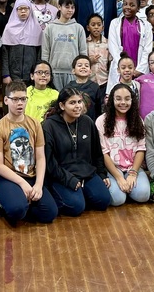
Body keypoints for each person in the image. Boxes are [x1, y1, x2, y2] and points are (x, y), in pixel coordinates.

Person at [0, 81, 59, 225]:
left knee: (50, 213)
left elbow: (40, 158)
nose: (20, 103)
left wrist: (39, 184)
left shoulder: (35, 124)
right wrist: (22, 183)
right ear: (6, 100)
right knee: (16, 210)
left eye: (23, 99)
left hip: (31, 176)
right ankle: (12, 205)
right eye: (15, 99)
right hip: (7, 177)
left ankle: (12, 205)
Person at [41, 88, 112, 216]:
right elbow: (49, 162)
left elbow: (97, 152)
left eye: (79, 102)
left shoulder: (87, 122)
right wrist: (69, 180)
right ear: (62, 105)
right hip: (62, 175)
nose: (78, 106)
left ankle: (81, 195)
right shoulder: (49, 126)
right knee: (76, 207)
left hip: (87, 173)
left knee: (104, 201)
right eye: (72, 103)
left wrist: (101, 173)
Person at [97, 83, 151, 205]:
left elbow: (141, 149)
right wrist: (119, 177)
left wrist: (133, 173)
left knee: (143, 196)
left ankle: (129, 187)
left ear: (132, 100)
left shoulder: (138, 120)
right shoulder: (101, 121)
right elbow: (103, 152)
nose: (123, 102)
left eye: (127, 99)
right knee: (117, 200)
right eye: (118, 99)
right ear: (111, 100)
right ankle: (124, 188)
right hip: (112, 168)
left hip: (133, 167)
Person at [42, 0, 86, 91]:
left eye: (72, 7)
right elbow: (45, 52)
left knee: (72, 101)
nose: (70, 10)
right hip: (54, 72)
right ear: (59, 7)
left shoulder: (78, 28)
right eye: (67, 7)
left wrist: (81, 71)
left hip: (73, 73)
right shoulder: (50, 28)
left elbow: (83, 53)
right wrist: (45, 72)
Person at [107, 0, 153, 86]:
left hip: (139, 67)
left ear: (138, 8)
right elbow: (113, 46)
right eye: (125, 4)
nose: (127, 7)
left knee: (139, 95)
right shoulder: (115, 23)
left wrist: (139, 69)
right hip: (119, 67)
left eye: (132, 5)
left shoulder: (146, 25)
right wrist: (123, 68)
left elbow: (148, 49)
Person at [1, 0, 42, 83]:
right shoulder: (9, 28)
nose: (23, 11)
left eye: (26, 9)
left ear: (30, 10)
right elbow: (4, 54)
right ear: (15, 11)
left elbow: (39, 54)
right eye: (20, 9)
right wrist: (6, 74)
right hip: (13, 76)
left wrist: (37, 73)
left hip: (31, 75)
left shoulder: (36, 28)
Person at [69, 55, 100, 120]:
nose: (83, 67)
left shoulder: (95, 87)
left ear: (90, 71)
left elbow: (99, 108)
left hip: (90, 123)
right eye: (80, 65)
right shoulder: (69, 87)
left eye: (86, 66)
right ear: (73, 71)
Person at [85, 14, 110, 86]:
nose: (96, 27)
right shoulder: (84, 43)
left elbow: (111, 63)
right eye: (93, 25)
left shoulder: (108, 43)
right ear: (88, 28)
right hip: (88, 82)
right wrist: (90, 60)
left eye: (99, 25)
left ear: (102, 28)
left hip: (105, 81)